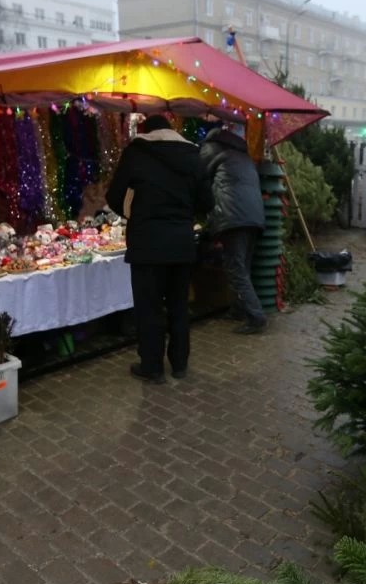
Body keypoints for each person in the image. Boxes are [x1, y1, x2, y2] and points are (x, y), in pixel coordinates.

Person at [106, 115, 211, 384]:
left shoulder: (136, 152)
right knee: (178, 305)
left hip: (146, 243)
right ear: (171, 130)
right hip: (181, 243)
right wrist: (186, 214)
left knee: (149, 308)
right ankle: (179, 364)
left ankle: (152, 367)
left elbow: (114, 196)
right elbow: (208, 200)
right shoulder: (193, 154)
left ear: (146, 130)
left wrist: (134, 213)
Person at [199, 122, 267, 334]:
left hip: (233, 217)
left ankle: (256, 316)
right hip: (254, 217)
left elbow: (198, 178)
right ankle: (239, 309)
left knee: (235, 268)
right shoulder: (242, 154)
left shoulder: (209, 149)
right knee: (242, 266)